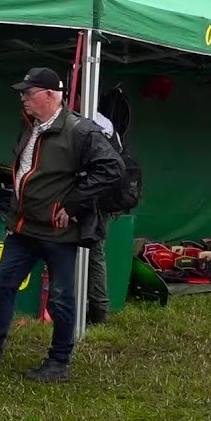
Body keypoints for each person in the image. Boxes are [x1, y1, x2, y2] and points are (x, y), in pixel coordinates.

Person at [0, 68, 123, 383]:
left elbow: (112, 168)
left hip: (57, 232)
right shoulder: (30, 126)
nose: (22, 98)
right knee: (3, 283)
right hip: (23, 227)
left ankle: (59, 362)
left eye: (28, 93)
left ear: (48, 94)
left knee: (61, 297)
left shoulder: (80, 131)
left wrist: (72, 205)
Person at [87, 111, 118, 325]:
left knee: (95, 252)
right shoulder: (104, 123)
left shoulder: (93, 122)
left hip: (94, 198)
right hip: (99, 197)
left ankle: (99, 311)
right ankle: (98, 310)